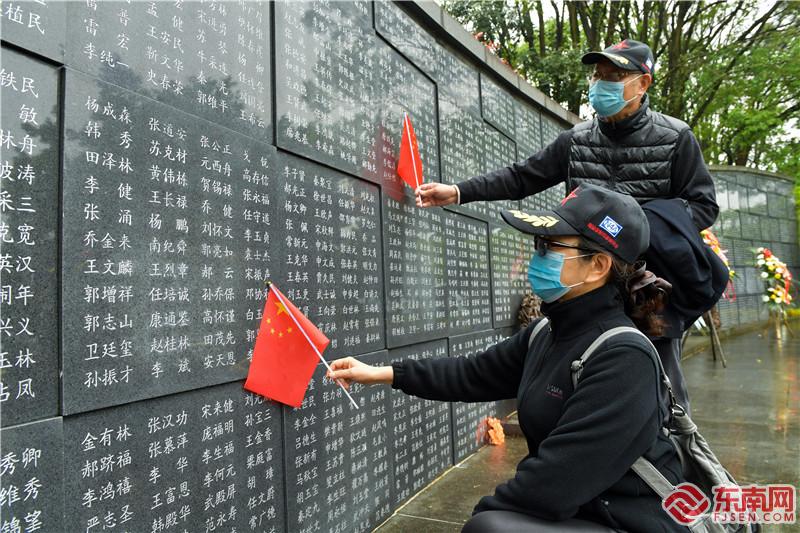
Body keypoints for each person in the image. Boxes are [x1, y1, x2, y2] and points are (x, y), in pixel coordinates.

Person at [327, 185, 688, 532]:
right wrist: (383, 373)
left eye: (550, 245)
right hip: (579, 513)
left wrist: (479, 517)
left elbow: (555, 482)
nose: (538, 255)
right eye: (538, 244)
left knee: (492, 527)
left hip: (624, 521)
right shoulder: (547, 332)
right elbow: (473, 374)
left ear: (598, 265)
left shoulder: (624, 359)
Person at [414, 39, 718, 414]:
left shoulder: (676, 139)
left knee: (659, 382)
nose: (601, 83)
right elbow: (522, 177)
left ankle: (670, 452)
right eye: (598, 74)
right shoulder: (575, 141)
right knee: (576, 372)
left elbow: (704, 206)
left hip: (645, 287)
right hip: (585, 281)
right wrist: (460, 191)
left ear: (643, 84)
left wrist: (636, 230)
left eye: (615, 76)